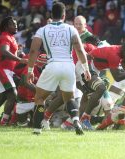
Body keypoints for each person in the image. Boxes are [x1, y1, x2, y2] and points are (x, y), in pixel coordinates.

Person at [27, 2, 91, 135]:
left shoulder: (42, 30)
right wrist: (86, 69)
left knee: (39, 98)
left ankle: (37, 129)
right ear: (64, 15)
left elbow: (33, 51)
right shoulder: (71, 29)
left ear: (51, 14)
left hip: (53, 65)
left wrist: (30, 71)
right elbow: (79, 49)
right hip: (68, 66)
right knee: (70, 98)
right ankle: (75, 121)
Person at [0, 16, 28, 126]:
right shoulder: (5, 37)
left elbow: (8, 53)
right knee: (13, 94)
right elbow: (4, 51)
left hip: (5, 69)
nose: (16, 25)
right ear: (6, 26)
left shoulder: (11, 37)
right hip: (0, 69)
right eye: (13, 24)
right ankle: (4, 121)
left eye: (16, 23)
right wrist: (19, 59)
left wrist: (19, 52)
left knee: (5, 95)